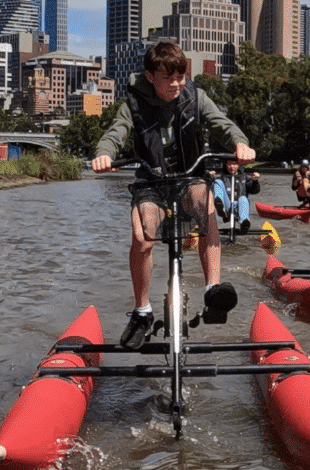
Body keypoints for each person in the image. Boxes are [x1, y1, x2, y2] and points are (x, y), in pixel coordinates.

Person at [91, 41, 256, 349]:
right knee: (143, 237)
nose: (178, 84)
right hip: (150, 182)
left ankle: (212, 290)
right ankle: (142, 312)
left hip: (188, 177)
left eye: (182, 76)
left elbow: (224, 125)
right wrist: (104, 154)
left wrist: (240, 144)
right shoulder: (133, 103)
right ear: (151, 76)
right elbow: (115, 133)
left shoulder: (196, 97)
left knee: (204, 205)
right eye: (170, 78)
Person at [213, 160, 261, 233]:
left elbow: (255, 191)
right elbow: (209, 189)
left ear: (239, 164)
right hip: (227, 205)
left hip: (240, 206)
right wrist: (210, 178)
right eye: (229, 164)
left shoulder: (245, 177)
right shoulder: (221, 177)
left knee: (243, 198)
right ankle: (220, 204)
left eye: (234, 164)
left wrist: (255, 181)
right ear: (226, 165)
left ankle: (244, 222)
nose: (232, 167)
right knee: (217, 182)